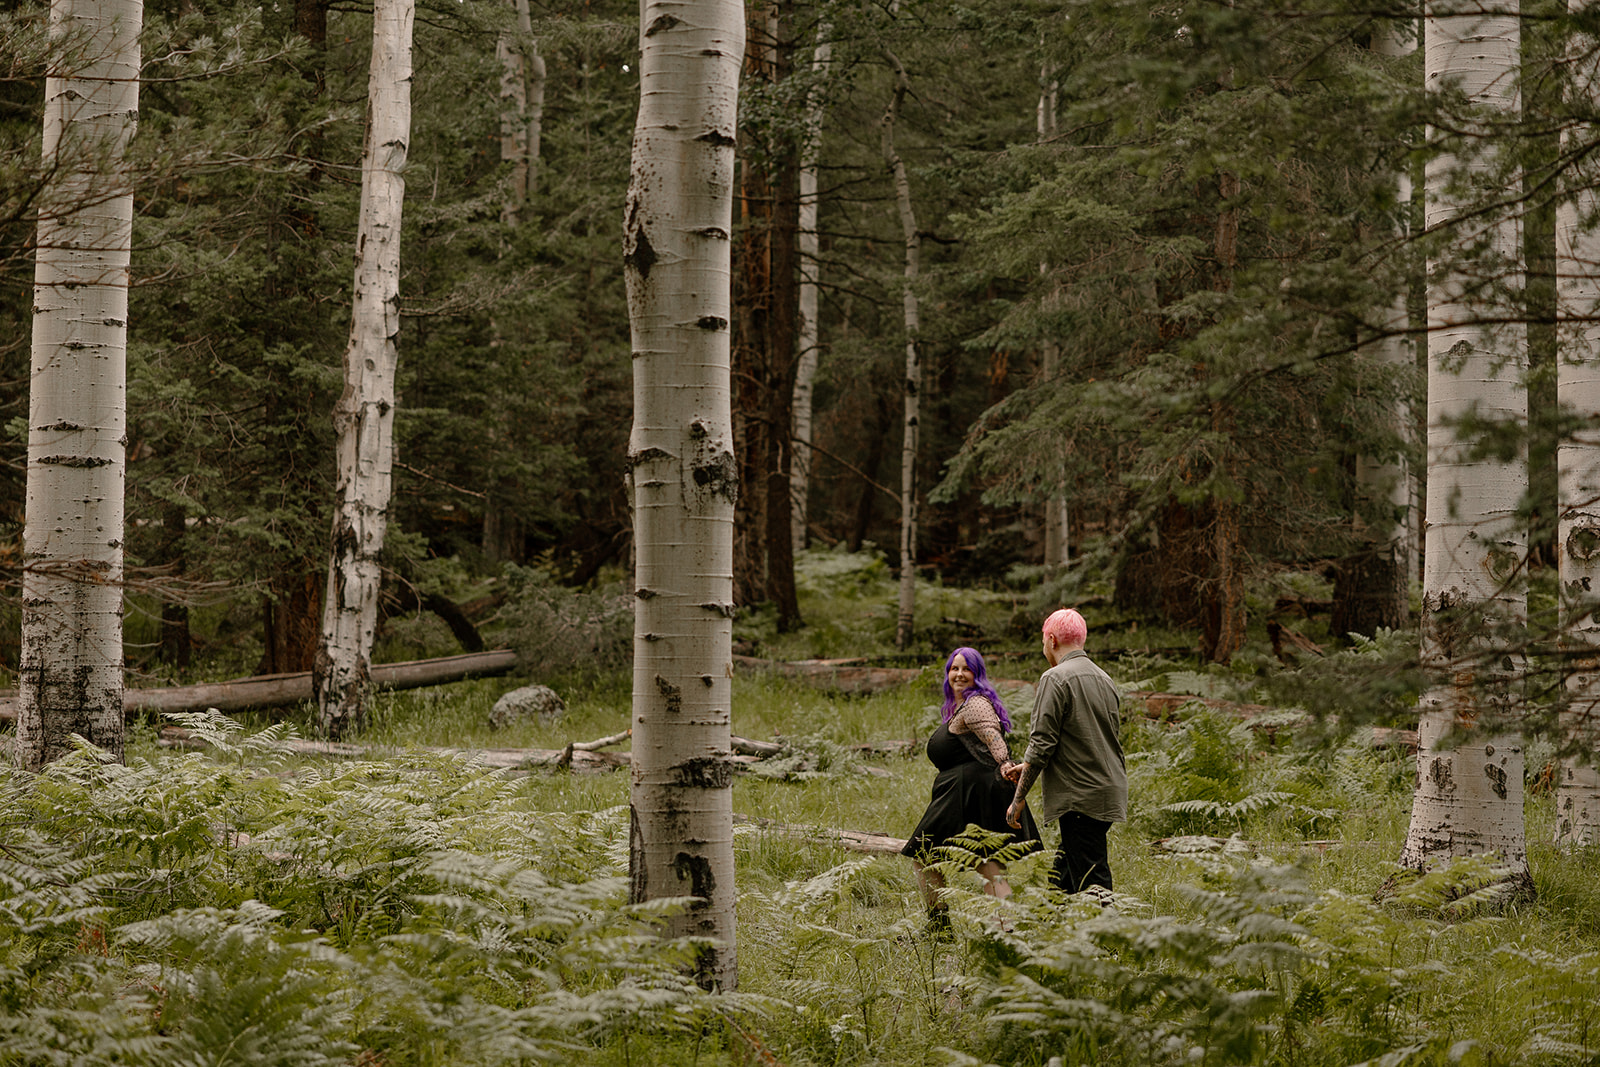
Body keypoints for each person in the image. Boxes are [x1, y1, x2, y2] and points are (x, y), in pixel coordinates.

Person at [903, 646, 1041, 918]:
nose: (959, 674)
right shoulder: (961, 707)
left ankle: (954, 928)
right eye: (954, 668)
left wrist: (1005, 765)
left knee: (928, 855)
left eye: (967, 669)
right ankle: (1004, 929)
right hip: (962, 791)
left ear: (977, 674)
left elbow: (995, 740)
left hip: (970, 792)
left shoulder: (976, 703)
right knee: (985, 863)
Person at [1005, 608, 1126, 896]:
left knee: (1091, 877)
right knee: (1063, 876)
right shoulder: (1103, 678)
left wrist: (1018, 799)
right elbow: (1086, 737)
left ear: (1051, 639)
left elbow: (1041, 743)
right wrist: (1028, 766)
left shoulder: (1054, 678)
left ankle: (1106, 936)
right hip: (1106, 789)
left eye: (1043, 642)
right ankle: (1058, 934)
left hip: (1080, 795)